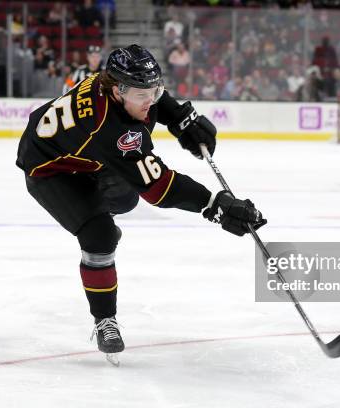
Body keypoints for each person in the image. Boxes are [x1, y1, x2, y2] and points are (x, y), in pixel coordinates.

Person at [16, 44, 266, 362]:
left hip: (84, 153)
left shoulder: (122, 88)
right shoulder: (111, 129)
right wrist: (214, 204)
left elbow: (153, 96)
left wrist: (181, 118)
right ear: (118, 91)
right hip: (50, 167)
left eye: (154, 89)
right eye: (141, 95)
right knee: (101, 235)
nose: (150, 100)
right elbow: (160, 188)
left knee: (125, 196)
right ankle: (105, 320)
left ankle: (97, 196)